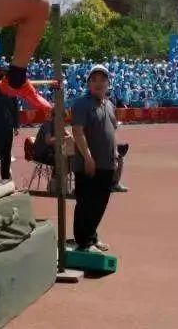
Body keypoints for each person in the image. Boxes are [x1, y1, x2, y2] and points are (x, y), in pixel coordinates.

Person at [71, 65, 118, 253]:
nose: (99, 83)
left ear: (108, 83)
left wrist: (115, 154)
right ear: (88, 83)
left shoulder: (109, 104)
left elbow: (112, 131)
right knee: (86, 203)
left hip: (107, 163)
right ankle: (83, 242)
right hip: (88, 164)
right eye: (94, 80)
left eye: (102, 80)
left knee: (100, 204)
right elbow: (77, 131)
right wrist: (88, 157)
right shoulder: (82, 104)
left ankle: (91, 236)